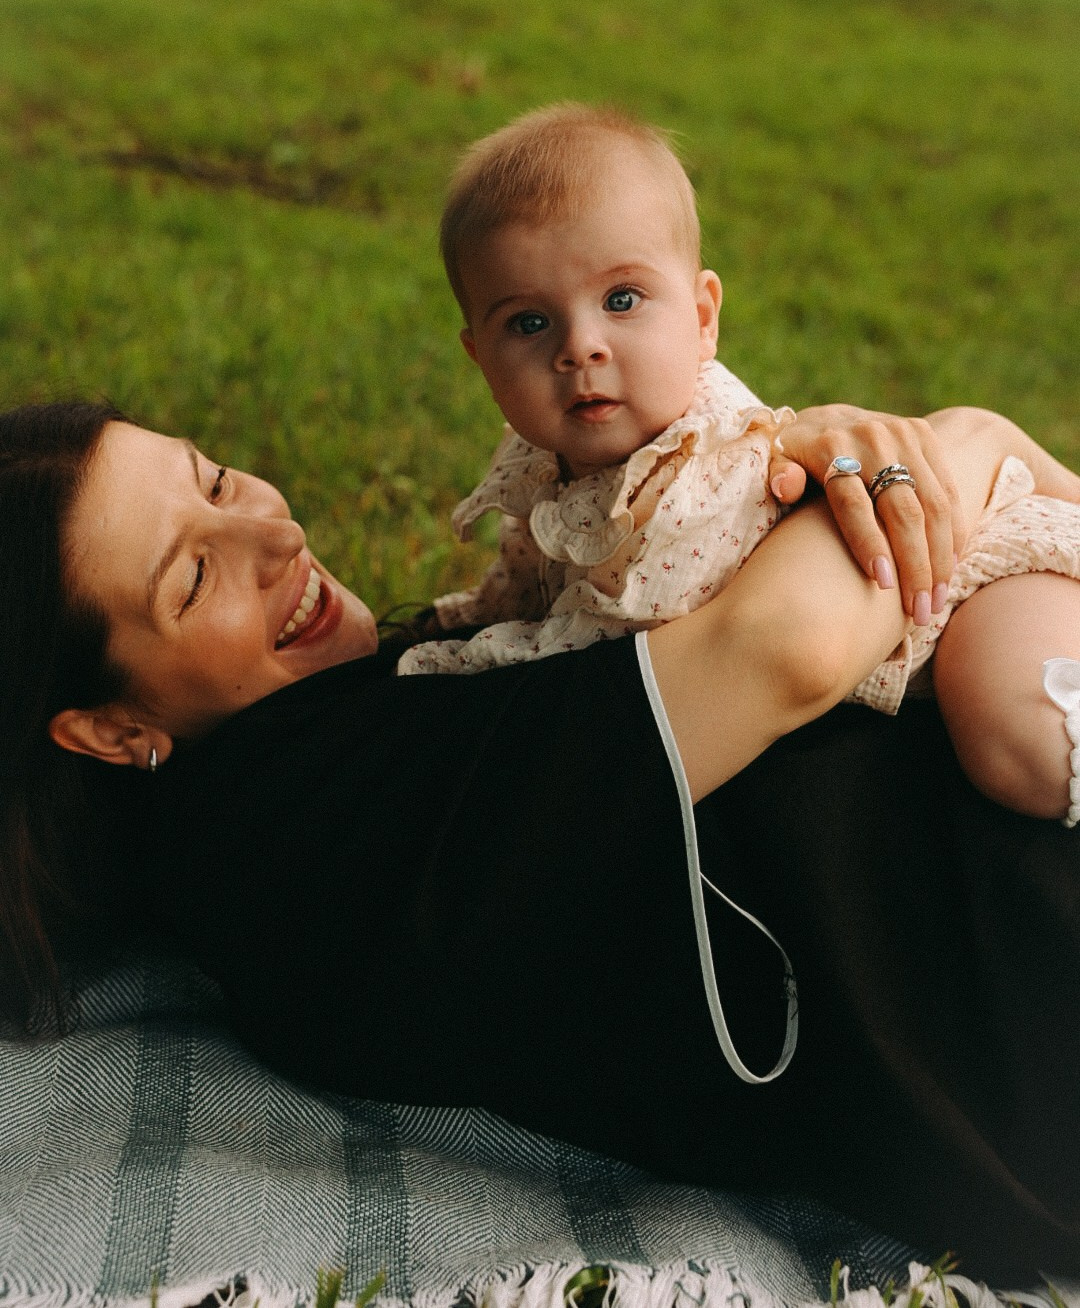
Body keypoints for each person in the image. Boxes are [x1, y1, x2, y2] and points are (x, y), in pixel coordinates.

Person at [0, 395, 1078, 1282]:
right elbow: (786, 646)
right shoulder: (285, 833)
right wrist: (960, 443)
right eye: (193, 578)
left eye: (217, 481)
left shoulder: (337, 725)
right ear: (110, 730)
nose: (274, 537)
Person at [399, 104, 1080, 825]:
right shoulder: (540, 458)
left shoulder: (700, 467)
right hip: (891, 606)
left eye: (622, 300)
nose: (580, 347)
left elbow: (619, 660)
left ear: (703, 319)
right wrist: (459, 621)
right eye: (529, 323)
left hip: (980, 575)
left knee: (1019, 747)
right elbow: (530, 577)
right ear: (480, 356)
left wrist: (474, 665)